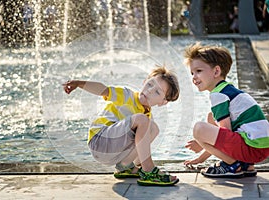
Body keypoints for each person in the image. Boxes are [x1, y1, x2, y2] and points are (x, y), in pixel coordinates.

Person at [63, 66, 180, 186]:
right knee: (143, 121)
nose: (150, 90)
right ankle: (149, 171)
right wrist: (78, 84)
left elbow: (140, 145)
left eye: (157, 92)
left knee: (153, 128)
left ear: (163, 102)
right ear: (144, 81)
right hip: (99, 140)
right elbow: (103, 90)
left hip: (112, 151)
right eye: (150, 84)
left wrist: (137, 162)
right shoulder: (127, 95)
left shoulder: (147, 117)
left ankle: (125, 166)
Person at [183, 43, 269, 178]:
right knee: (211, 117)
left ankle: (232, 165)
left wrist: (201, 145)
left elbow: (225, 133)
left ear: (216, 71)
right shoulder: (228, 90)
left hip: (253, 148)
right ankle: (246, 164)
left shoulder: (218, 95)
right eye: (192, 73)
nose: (194, 77)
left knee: (199, 129)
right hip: (260, 147)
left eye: (199, 71)